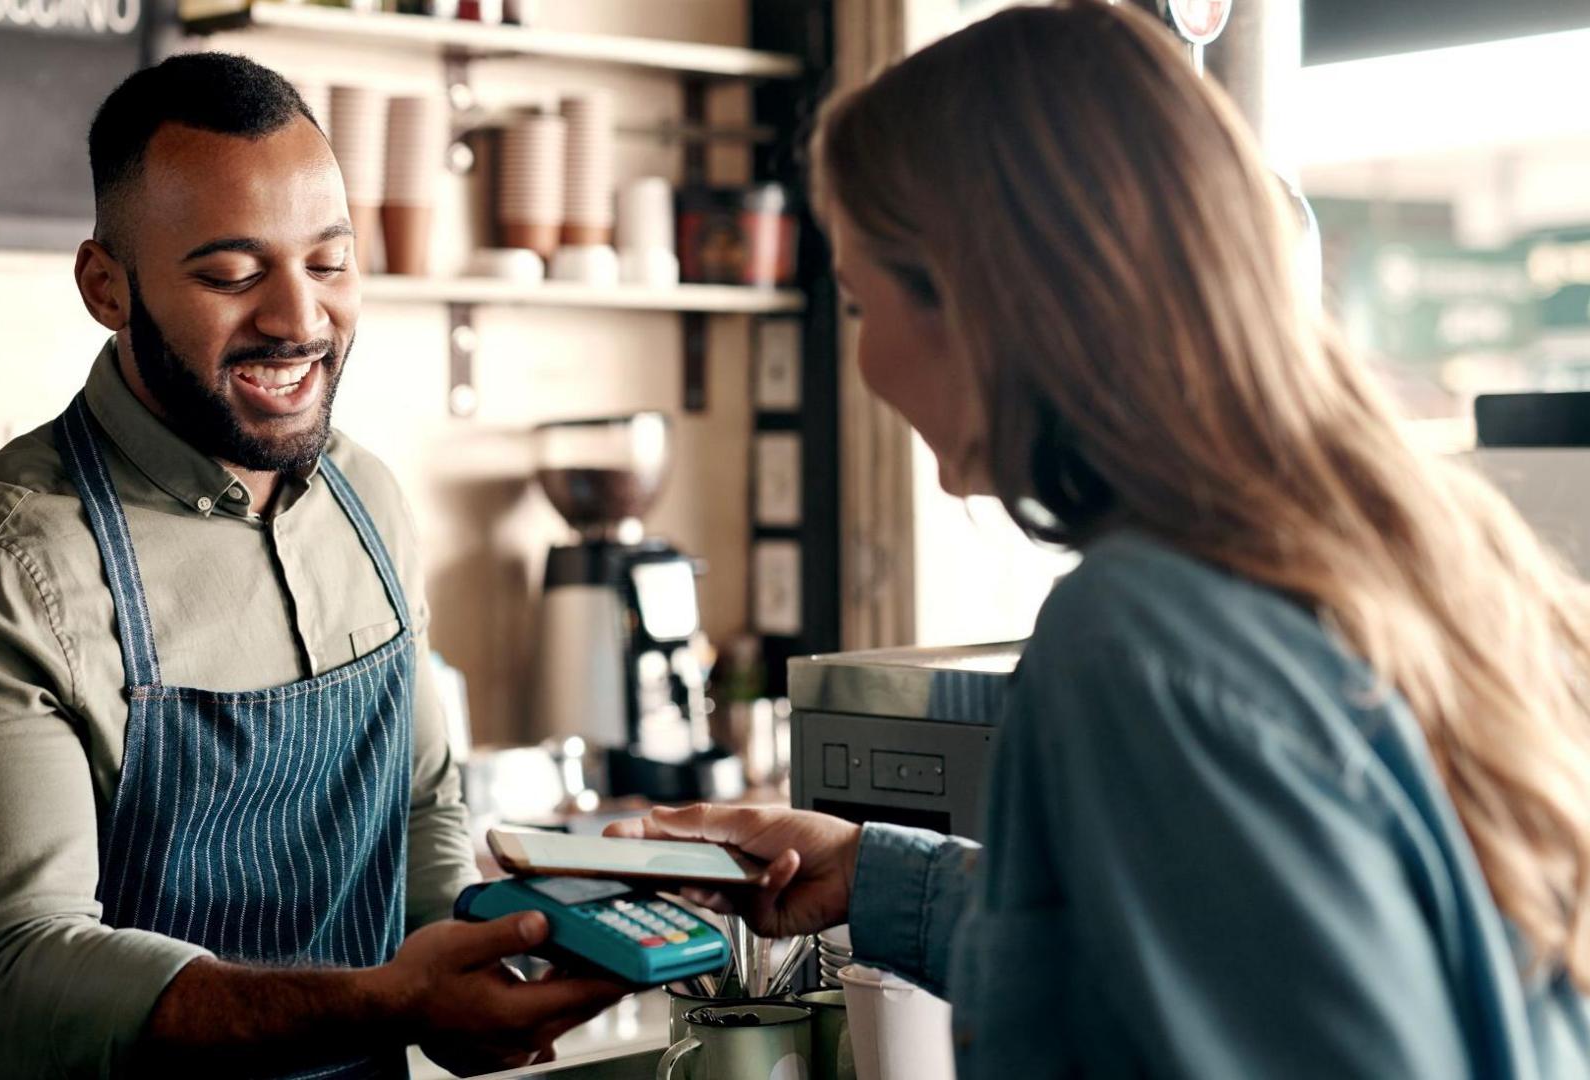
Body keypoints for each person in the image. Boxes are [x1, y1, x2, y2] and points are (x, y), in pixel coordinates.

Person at [610, 3, 1590, 1077]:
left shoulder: (1138, 640)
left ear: (976, 304)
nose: (867, 362)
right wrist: (880, 879)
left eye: (858, 304)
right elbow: (1230, 952)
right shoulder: (1425, 550)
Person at [0, 54, 626, 1079]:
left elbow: (418, 807)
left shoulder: (370, 502)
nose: (299, 320)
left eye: (328, 263)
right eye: (232, 274)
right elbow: (13, 975)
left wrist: (481, 961)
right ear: (106, 286)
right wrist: (386, 1002)